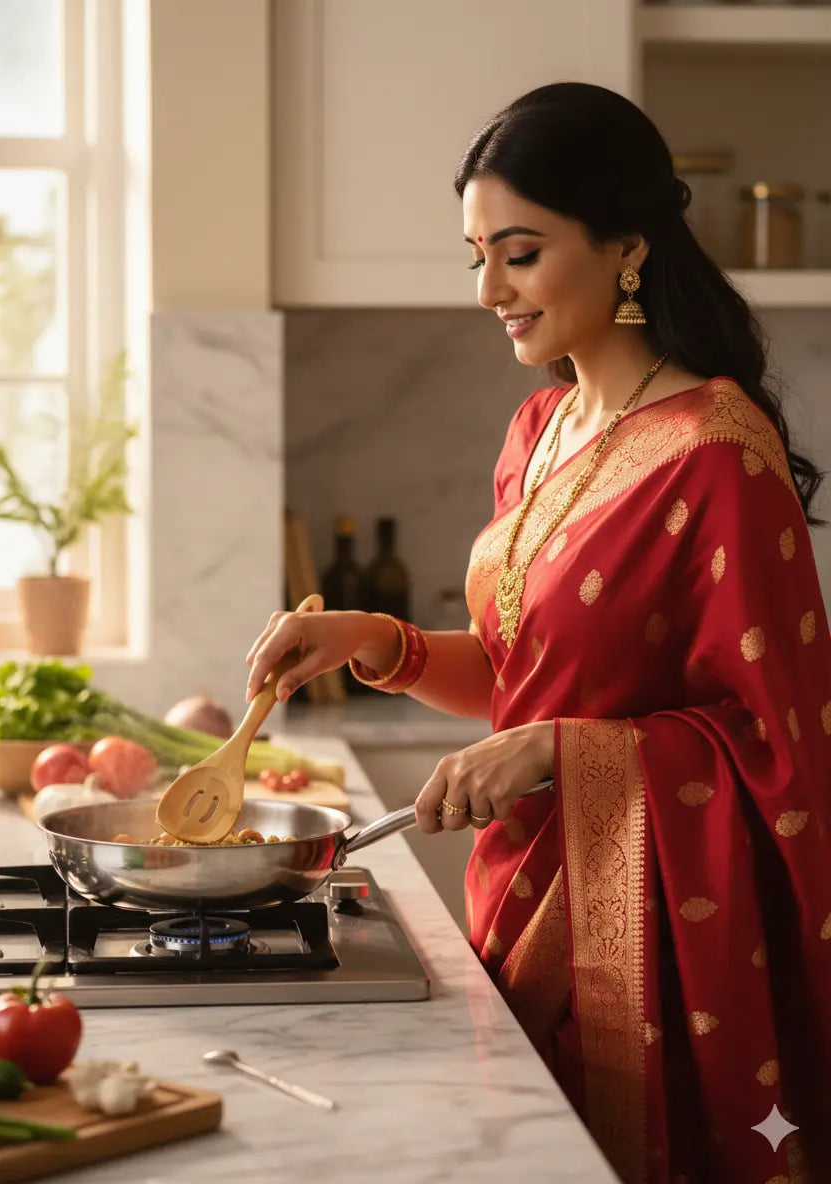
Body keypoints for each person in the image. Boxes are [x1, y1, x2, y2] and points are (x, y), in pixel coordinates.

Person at [245, 82, 831, 1184]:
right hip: (520, 890)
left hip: (653, 942)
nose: (487, 291)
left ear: (626, 248)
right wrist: (380, 641)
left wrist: (559, 751)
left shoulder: (719, 457)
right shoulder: (543, 425)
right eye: (475, 254)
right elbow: (527, 674)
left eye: (517, 253)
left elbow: (778, 750)